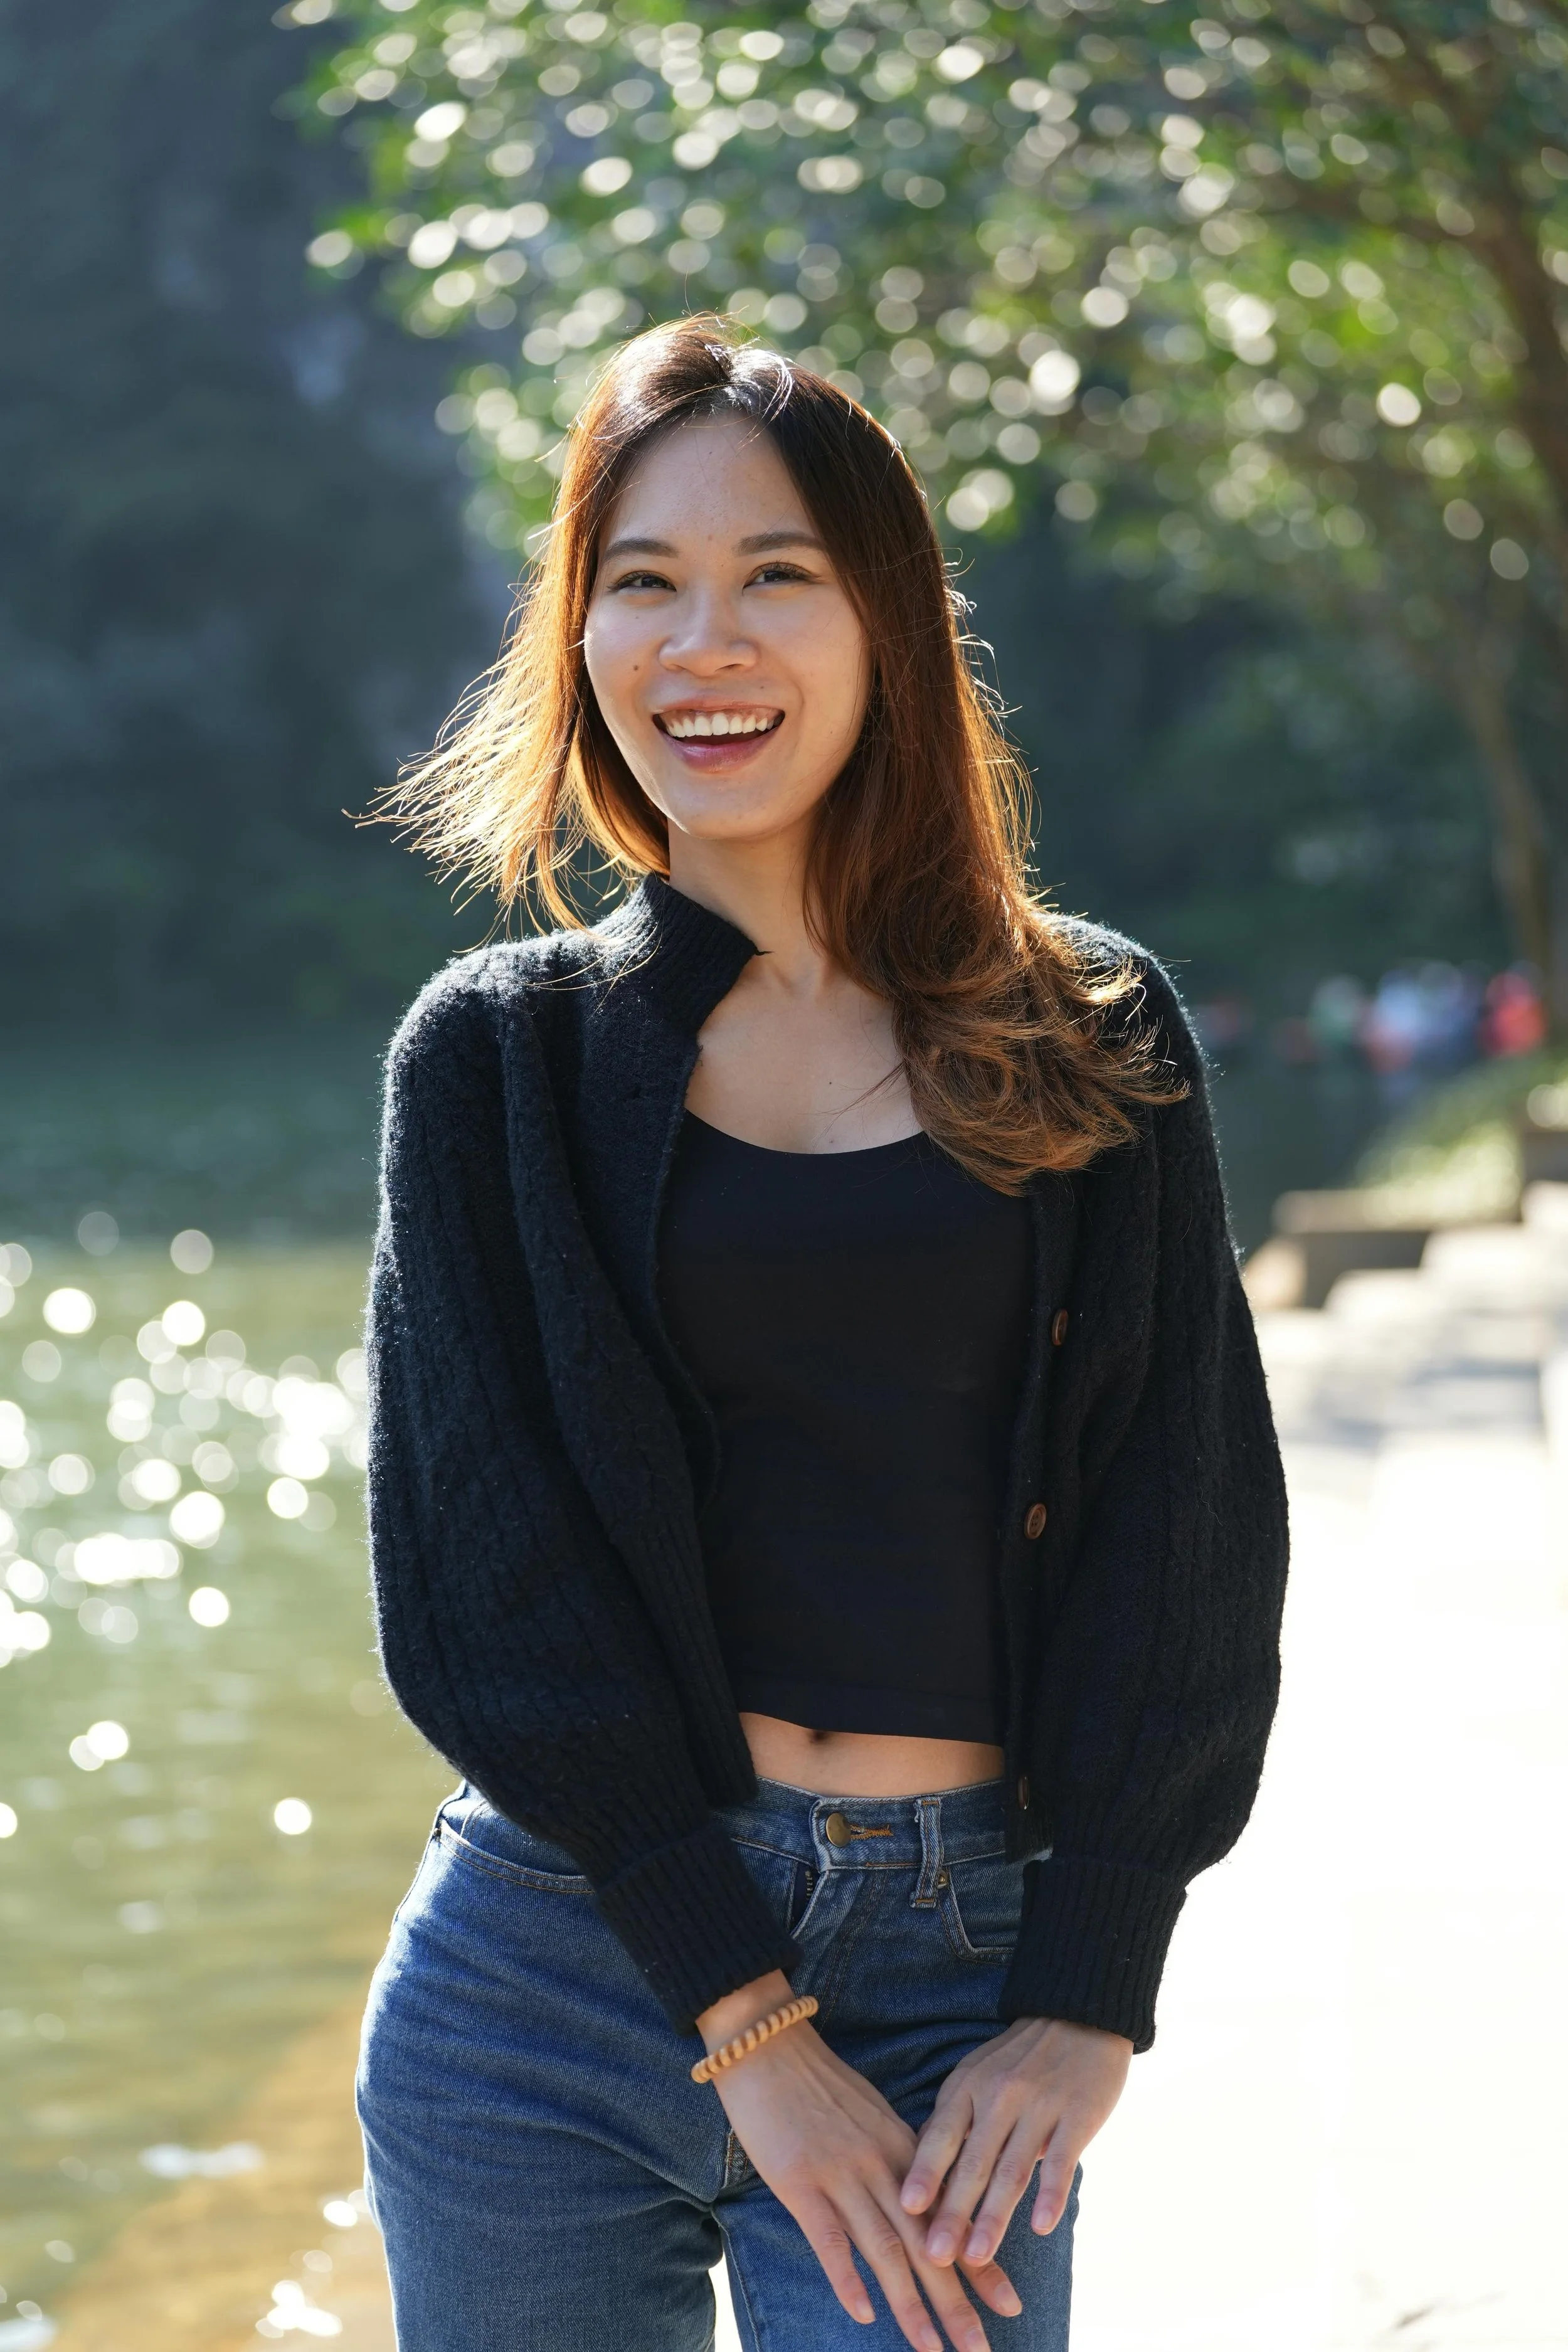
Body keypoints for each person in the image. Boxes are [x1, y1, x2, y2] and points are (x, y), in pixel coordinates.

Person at [356, 317, 1290, 2352]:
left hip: (963, 1963)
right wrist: (744, 2014)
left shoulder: (1086, 1027)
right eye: (643, 582)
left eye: (777, 574)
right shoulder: (496, 1064)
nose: (709, 642)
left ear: (887, 624)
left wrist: (1086, 1993)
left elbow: (1186, 1523)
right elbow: (483, 1583)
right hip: (556, 1965)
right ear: (578, 637)